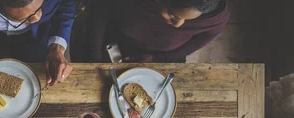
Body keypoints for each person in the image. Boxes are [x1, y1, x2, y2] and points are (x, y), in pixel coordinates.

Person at [85, 0, 229, 63]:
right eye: (173, 15)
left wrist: (158, 58)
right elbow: (98, 16)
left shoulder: (216, 16)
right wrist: (95, 60)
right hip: (110, 43)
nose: (178, 24)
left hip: (164, 58)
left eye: (186, 19)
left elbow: (189, 47)